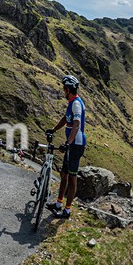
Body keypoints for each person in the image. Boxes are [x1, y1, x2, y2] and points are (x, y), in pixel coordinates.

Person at [45, 75, 86, 220]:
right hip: (71, 143)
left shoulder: (76, 104)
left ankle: (67, 211)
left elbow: (76, 125)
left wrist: (68, 143)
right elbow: (65, 118)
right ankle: (58, 204)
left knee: (72, 178)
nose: (63, 91)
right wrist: (54, 129)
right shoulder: (71, 103)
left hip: (76, 144)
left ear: (68, 89)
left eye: (64, 89)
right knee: (64, 175)